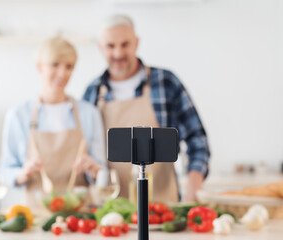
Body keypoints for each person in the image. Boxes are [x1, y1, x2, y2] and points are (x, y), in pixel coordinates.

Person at [83, 15, 210, 202]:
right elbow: (87, 154)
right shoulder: (92, 92)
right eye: (110, 46)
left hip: (163, 205)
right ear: (100, 48)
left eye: (125, 44)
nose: (118, 53)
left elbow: (197, 140)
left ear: (136, 43)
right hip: (113, 211)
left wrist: (193, 187)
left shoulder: (166, 83)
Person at [0, 36, 106, 214]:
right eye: (55, 64)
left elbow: (102, 172)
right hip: (34, 215)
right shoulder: (18, 115)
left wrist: (94, 169)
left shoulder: (89, 114)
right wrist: (23, 173)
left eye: (69, 66)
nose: (63, 73)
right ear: (40, 66)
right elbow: (5, 170)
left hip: (81, 217)